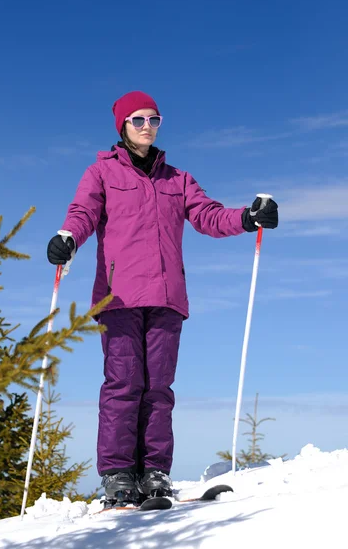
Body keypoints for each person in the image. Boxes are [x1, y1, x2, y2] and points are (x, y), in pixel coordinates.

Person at [47, 90, 278, 506]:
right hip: (118, 298)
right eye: (139, 120)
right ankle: (118, 474)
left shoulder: (178, 179)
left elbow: (208, 215)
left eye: (154, 119)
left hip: (167, 297)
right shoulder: (101, 173)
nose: (148, 127)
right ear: (123, 125)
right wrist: (68, 237)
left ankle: (155, 472)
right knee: (123, 384)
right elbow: (82, 213)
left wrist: (246, 217)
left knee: (159, 388)